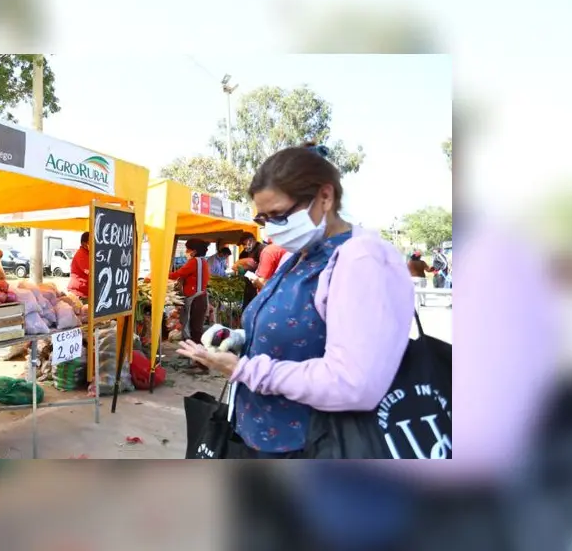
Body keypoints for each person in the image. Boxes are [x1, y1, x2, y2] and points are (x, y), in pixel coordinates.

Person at [176, 144, 414, 458]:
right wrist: (240, 339)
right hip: (258, 434)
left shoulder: (359, 260)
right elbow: (303, 332)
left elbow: (353, 382)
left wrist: (245, 370)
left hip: (309, 443)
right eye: (264, 218)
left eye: (278, 215)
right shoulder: (301, 256)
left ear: (325, 198)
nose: (271, 228)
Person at [170, 238, 211, 372]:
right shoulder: (201, 262)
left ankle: (203, 364)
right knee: (195, 330)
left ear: (194, 251)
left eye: (188, 249)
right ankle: (197, 360)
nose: (186, 251)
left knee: (195, 331)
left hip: (196, 300)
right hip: (198, 298)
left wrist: (157, 275)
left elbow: (178, 274)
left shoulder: (195, 262)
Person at [235, 232, 263, 310]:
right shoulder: (244, 253)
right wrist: (241, 270)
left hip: (259, 286)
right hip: (248, 285)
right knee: (246, 309)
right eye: (242, 245)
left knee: (256, 309)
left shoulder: (262, 250)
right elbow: (240, 266)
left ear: (251, 240)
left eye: (244, 243)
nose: (244, 247)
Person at [68, 232, 91, 301]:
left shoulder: (89, 254)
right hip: (79, 293)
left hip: (86, 292)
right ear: (84, 244)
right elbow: (90, 272)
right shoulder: (81, 254)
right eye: (92, 241)